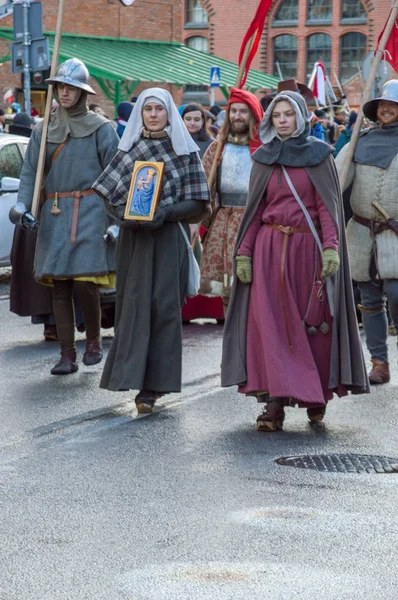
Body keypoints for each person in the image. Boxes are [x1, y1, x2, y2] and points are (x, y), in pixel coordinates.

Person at [221, 91, 369, 431]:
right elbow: (255, 212)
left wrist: (331, 247)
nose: (283, 120)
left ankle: (315, 395)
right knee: (270, 327)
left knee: (311, 325)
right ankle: (274, 404)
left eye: (289, 114)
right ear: (270, 120)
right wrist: (244, 252)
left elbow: (326, 208)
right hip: (269, 251)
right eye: (277, 115)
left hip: (308, 251)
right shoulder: (263, 159)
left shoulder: (319, 157)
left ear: (301, 117)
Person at [92, 88, 210, 414]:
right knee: (131, 306)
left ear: (169, 113)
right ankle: (128, 376)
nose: (154, 114)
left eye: (159, 108)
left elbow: (199, 202)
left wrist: (167, 213)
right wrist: (124, 215)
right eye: (148, 109)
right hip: (133, 240)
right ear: (140, 114)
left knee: (163, 309)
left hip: (167, 239)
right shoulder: (128, 150)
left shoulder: (184, 152)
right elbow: (108, 194)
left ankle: (153, 387)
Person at [9, 58, 120, 375]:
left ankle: (95, 341)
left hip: (90, 209)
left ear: (83, 92)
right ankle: (67, 354)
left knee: (85, 282)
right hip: (55, 211)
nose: (64, 93)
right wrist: (24, 208)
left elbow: (114, 177)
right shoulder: (43, 130)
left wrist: (114, 222)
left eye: (71, 88)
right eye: (60, 87)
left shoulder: (102, 129)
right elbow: (31, 173)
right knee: (58, 285)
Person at [335, 80, 398, 385]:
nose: (388, 109)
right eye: (383, 105)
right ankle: (379, 363)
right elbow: (335, 180)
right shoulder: (359, 141)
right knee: (369, 300)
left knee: (396, 294)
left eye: (394, 105)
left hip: (394, 234)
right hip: (361, 231)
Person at [199, 88, 263, 314]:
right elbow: (205, 187)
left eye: (243, 111)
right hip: (224, 222)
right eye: (233, 111)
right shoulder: (218, 148)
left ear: (253, 115)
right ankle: (231, 338)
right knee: (228, 288)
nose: (237, 116)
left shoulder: (263, 148)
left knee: (255, 284)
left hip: (253, 220)